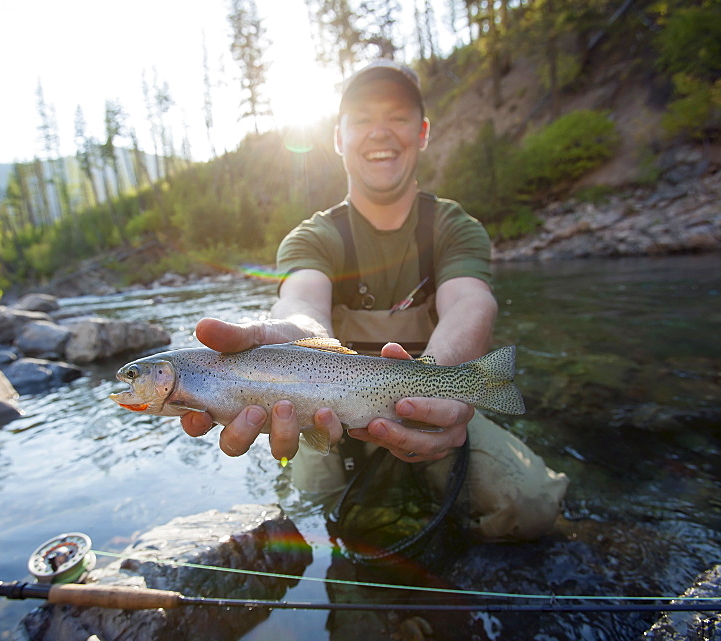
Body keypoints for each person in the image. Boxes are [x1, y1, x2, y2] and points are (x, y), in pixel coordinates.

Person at [182, 60, 568, 542]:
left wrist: (438, 384)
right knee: (314, 512)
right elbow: (301, 306)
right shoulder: (313, 237)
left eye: (398, 116)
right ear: (339, 138)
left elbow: (472, 303)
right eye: (362, 118)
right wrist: (295, 336)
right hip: (322, 412)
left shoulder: (454, 227)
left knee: (532, 507)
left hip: (431, 404)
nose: (380, 132)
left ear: (422, 132)